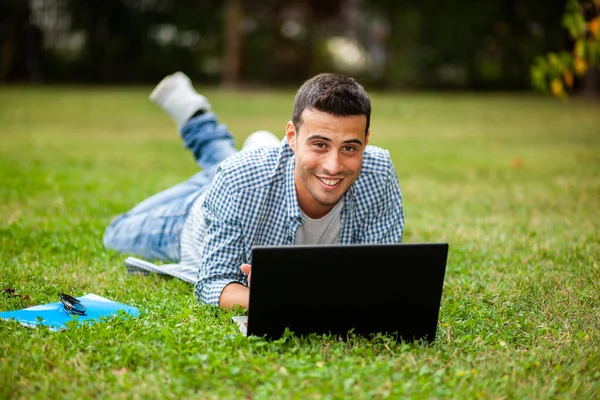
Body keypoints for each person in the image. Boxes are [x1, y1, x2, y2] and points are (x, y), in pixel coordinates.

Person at [103, 71, 405, 309]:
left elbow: (379, 277)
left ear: (366, 141)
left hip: (258, 178)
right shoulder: (238, 179)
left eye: (350, 147)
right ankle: (200, 121)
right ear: (291, 136)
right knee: (115, 234)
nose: (333, 165)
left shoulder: (378, 170)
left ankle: (231, 138)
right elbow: (212, 283)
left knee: (236, 169)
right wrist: (285, 299)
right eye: (319, 144)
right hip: (197, 216)